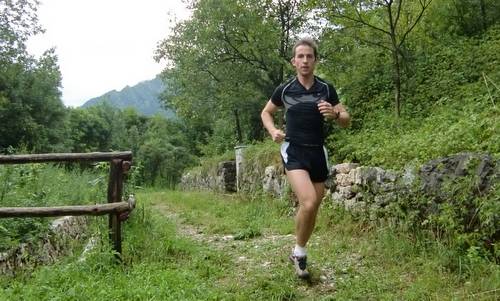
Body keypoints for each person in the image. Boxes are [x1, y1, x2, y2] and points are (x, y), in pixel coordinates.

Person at [260, 37, 350, 279]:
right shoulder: (285, 90)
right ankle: (300, 254)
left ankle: (298, 252)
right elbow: (266, 113)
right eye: (300, 56)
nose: (305, 60)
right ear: (293, 61)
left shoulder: (326, 88)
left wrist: (335, 114)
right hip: (294, 150)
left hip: (317, 152)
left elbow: (345, 118)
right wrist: (273, 131)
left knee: (312, 208)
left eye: (309, 56)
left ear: (315, 60)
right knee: (308, 202)